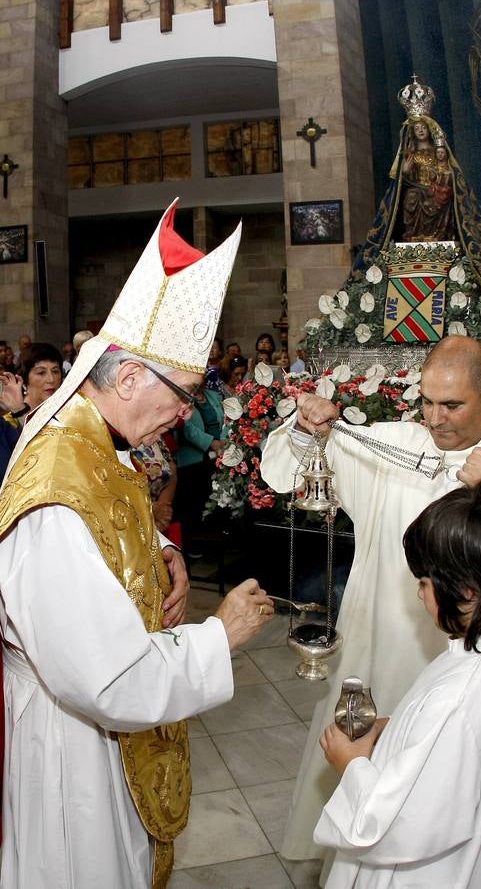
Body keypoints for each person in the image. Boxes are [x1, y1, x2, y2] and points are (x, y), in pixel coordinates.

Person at [0, 200, 275, 889]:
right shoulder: (56, 492)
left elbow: (110, 501)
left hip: (96, 726)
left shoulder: (84, 432)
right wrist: (221, 636)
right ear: (127, 379)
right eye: (185, 394)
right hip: (74, 746)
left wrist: (160, 547)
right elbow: (109, 679)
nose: (189, 413)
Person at [260, 335, 481, 863]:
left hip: (450, 676)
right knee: (356, 803)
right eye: (426, 401)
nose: (435, 419)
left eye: (452, 404)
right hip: (372, 651)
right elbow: (292, 470)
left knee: (431, 814)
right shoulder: (397, 444)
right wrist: (310, 425)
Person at [315, 483, 481, 889]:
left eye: (424, 582)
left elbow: (397, 827)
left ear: (467, 592)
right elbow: (451, 758)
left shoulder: (459, 700)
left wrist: (350, 763)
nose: (420, 593)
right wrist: (399, 729)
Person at [174, 375, 226, 553]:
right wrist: (210, 442)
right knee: (194, 500)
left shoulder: (213, 395)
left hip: (218, 454)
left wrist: (223, 442)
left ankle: (213, 543)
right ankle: (193, 546)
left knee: (214, 496)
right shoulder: (180, 396)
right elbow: (185, 427)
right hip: (192, 456)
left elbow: (226, 419)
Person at [397, 118, 455, 242]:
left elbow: (447, 169)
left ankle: (439, 234)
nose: (420, 130)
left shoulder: (438, 151)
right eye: (417, 128)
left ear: (429, 129)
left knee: (444, 195)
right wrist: (405, 172)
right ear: (413, 133)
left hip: (435, 188)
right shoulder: (410, 153)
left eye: (423, 127)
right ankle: (414, 235)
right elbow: (402, 182)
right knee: (412, 196)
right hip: (417, 188)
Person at [20, 341, 64, 412]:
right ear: (24, 379)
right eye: (41, 373)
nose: (51, 379)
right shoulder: (9, 421)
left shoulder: (69, 414)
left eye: (55, 371)